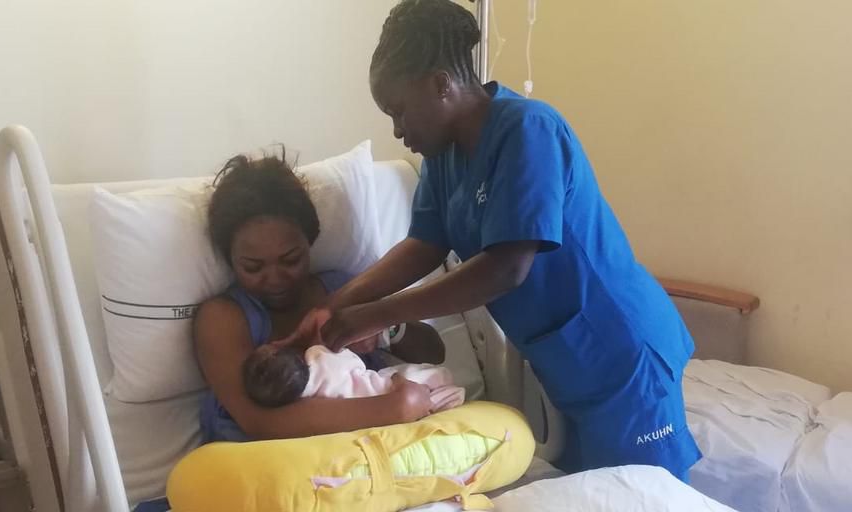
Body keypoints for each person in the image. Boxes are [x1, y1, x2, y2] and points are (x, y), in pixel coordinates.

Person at [304, 0, 702, 480]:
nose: (397, 129)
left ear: (440, 84)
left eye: (400, 111)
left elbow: (507, 267)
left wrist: (377, 315)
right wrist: (336, 305)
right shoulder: (441, 156)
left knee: (646, 495)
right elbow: (423, 245)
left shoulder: (528, 129)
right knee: (592, 492)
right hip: (567, 358)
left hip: (620, 351)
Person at [192, 150, 445, 443]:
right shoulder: (223, 318)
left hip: (375, 448)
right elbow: (260, 422)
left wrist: (388, 329)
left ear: (310, 241)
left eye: (290, 259)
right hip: (273, 463)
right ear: (231, 260)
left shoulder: (342, 289)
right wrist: (397, 406)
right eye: (253, 267)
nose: (274, 278)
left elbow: (434, 354)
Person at [242, 342, 465, 412]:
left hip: (383, 414)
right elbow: (353, 361)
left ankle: (445, 400)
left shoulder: (304, 401)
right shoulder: (317, 355)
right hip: (387, 386)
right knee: (436, 376)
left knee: (439, 396)